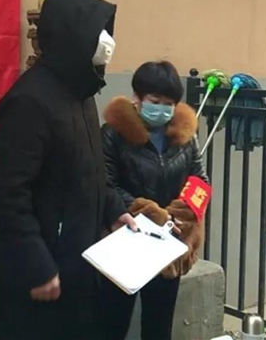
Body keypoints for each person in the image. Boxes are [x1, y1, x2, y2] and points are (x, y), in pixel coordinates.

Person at [0, 0, 136, 340]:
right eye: (97, 31)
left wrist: (113, 210)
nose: (106, 42)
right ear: (72, 35)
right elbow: (10, 195)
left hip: (81, 264)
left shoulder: (81, 93)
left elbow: (91, 169)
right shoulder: (29, 101)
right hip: (44, 274)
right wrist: (36, 264)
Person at [99, 60, 207, 340]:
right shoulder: (113, 134)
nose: (162, 109)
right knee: (112, 324)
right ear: (137, 98)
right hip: (125, 240)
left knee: (159, 326)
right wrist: (152, 214)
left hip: (169, 242)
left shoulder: (185, 135)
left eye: (169, 103)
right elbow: (107, 185)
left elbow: (199, 182)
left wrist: (176, 218)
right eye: (155, 101)